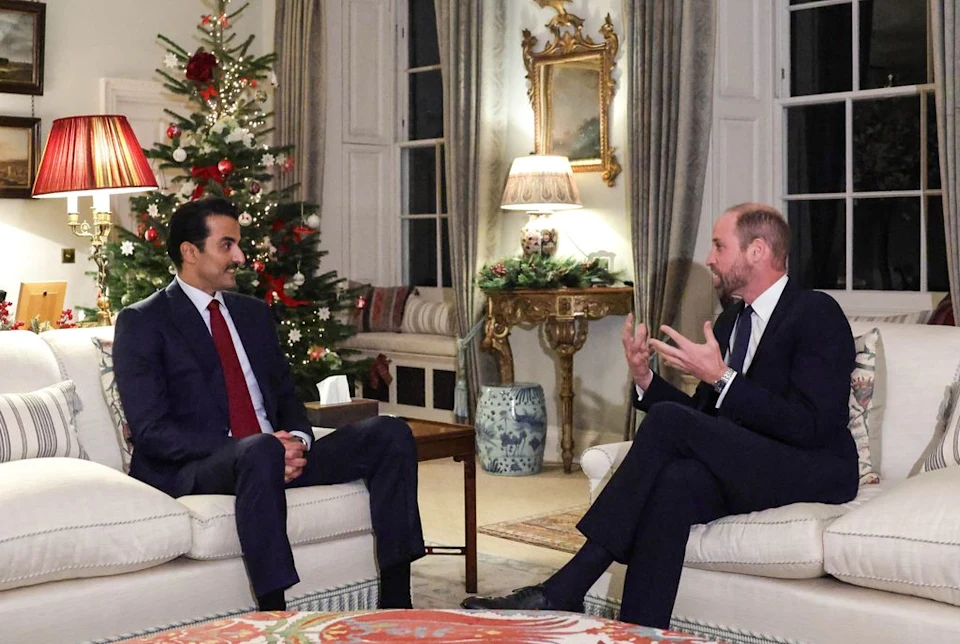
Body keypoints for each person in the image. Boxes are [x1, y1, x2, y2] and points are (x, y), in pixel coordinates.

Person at [461, 203, 858, 627]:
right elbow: (701, 420)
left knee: (669, 422)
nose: (709, 259)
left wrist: (721, 378)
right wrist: (646, 380)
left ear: (757, 250)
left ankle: (565, 588)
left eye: (719, 246)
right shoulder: (731, 322)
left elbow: (812, 424)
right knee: (676, 481)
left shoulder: (815, 312)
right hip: (751, 463)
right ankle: (640, 631)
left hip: (811, 466)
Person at [113, 197, 425, 611]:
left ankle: (396, 604)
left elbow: (285, 397)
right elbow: (152, 432)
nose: (240, 257)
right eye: (227, 245)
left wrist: (297, 441)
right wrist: (256, 448)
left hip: (272, 453)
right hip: (201, 465)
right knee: (259, 449)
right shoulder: (144, 321)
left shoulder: (252, 314)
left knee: (390, 433)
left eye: (238, 244)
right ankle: (273, 614)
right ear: (190, 252)